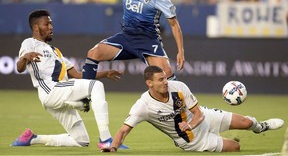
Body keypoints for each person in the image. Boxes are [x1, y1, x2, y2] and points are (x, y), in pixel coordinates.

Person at [10, 9, 128, 149]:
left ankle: (33, 138)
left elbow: (78, 75)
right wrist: (25, 57)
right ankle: (106, 139)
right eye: (46, 24)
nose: (51, 27)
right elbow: (19, 68)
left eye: (51, 24)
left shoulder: (56, 51)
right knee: (96, 86)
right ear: (36, 27)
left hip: (59, 93)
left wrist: (105, 73)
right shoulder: (30, 43)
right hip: (50, 90)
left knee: (81, 141)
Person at [100, 66, 284, 152]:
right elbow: (124, 130)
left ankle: (260, 127)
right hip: (192, 141)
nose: (165, 82)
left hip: (202, 119)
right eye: (160, 80)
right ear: (149, 83)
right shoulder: (143, 106)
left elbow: (198, 113)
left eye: (165, 78)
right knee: (236, 147)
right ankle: (218, 140)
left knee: (246, 122)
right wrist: (113, 148)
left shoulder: (178, 87)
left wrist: (190, 124)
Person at [70, 0, 185, 81]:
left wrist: (180, 51)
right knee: (93, 53)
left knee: (166, 74)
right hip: (126, 37)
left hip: (148, 40)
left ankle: (180, 101)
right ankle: (85, 97)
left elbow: (174, 24)